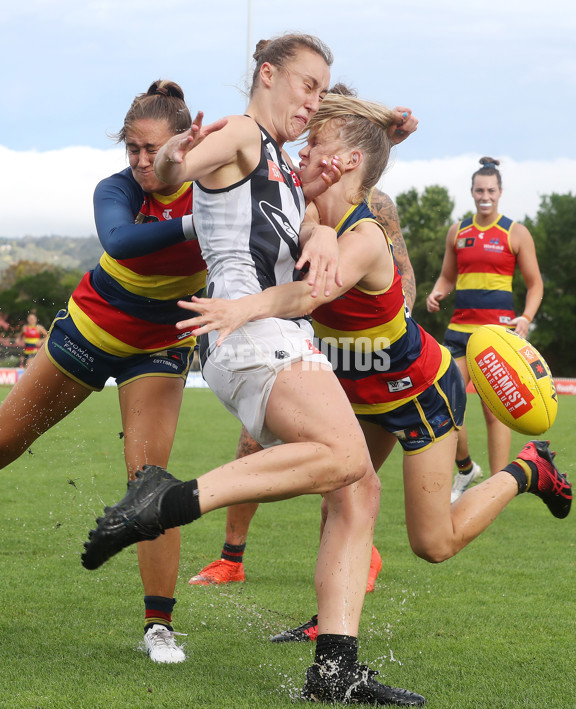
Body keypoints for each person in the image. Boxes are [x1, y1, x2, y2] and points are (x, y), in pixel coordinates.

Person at [81, 33, 427, 707]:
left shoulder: (283, 166)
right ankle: (165, 500)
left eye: (323, 92)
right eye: (307, 85)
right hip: (251, 332)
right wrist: (181, 152)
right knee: (343, 455)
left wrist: (324, 224)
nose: (313, 101)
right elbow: (177, 172)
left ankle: (335, 667)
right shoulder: (241, 133)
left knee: (358, 491)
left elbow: (315, 208)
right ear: (267, 74)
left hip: (278, 333)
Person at [171, 90, 572, 655]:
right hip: (357, 384)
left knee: (434, 543)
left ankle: (529, 470)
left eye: (320, 143)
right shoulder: (305, 210)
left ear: (350, 161)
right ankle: (330, 624)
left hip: (418, 391)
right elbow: (286, 189)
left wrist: (239, 309)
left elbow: (309, 294)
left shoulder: (366, 232)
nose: (307, 149)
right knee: (344, 495)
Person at [0, 80, 210, 664]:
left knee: (150, 482)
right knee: (4, 442)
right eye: (133, 150)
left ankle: (159, 627)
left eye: (154, 150)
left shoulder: (215, 187)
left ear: (185, 144)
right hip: (93, 329)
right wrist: (202, 225)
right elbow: (120, 241)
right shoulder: (116, 190)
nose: (143, 162)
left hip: (161, 346)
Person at [187, 185, 414, 591]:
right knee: (252, 442)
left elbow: (403, 271)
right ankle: (231, 558)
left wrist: (394, 330)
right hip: (299, 337)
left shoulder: (375, 205)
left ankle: (359, 556)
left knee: (346, 469)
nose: (311, 149)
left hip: (364, 350)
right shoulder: (291, 193)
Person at [426, 157, 544, 502]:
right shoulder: (458, 231)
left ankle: (497, 488)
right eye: (479, 189)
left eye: (491, 190)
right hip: (459, 332)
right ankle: (465, 469)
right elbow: (448, 277)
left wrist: (525, 317)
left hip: (498, 337)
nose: (485, 195)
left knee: (496, 414)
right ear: (472, 192)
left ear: (500, 192)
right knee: (442, 401)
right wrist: (437, 291)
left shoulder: (515, 232)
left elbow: (535, 285)